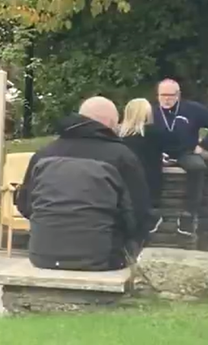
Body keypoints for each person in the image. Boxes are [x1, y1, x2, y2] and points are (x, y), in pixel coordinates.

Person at [16, 97, 150, 271]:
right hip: (102, 258)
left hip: (42, 256)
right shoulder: (122, 156)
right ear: (110, 123)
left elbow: (25, 205)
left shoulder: (44, 154)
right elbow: (138, 213)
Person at [150, 79, 208, 236]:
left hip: (185, 152)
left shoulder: (192, 109)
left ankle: (189, 214)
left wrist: (203, 145)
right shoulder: (151, 111)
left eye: (170, 95)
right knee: (145, 166)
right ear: (157, 95)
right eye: (163, 95)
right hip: (158, 152)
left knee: (198, 167)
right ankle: (153, 212)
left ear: (178, 95)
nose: (167, 99)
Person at [118, 98, 163, 234]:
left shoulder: (119, 136)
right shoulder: (153, 133)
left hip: (124, 186)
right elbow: (155, 162)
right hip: (147, 186)